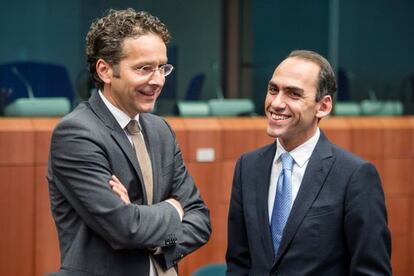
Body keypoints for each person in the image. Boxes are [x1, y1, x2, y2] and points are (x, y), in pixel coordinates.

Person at [48, 8, 211, 276]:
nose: (158, 80)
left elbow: (200, 220)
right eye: (144, 68)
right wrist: (173, 209)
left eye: (162, 67)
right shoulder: (77, 133)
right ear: (105, 71)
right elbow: (125, 228)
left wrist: (155, 239)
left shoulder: (160, 130)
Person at [226, 50, 391, 275]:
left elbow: (371, 271)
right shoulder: (248, 166)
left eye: (293, 94)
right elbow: (239, 263)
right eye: (273, 89)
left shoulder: (355, 175)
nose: (276, 103)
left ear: (322, 106)